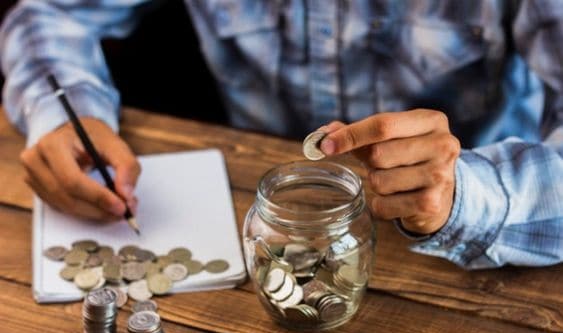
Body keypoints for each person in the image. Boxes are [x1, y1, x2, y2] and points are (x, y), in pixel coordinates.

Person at [0, 1, 561, 270]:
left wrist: (469, 194)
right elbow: (50, 13)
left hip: (461, 230)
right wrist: (61, 111)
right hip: (254, 191)